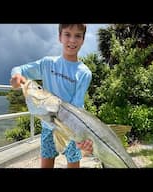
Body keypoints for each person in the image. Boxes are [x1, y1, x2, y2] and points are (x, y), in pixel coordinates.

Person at [10, 24, 93, 168]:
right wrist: (16, 76)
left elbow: (77, 106)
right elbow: (19, 69)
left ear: (83, 40)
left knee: (73, 164)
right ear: (60, 37)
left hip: (71, 128)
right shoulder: (47, 63)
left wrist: (82, 136)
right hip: (48, 127)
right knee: (46, 163)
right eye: (67, 34)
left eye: (77, 36)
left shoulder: (84, 72)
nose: (72, 40)